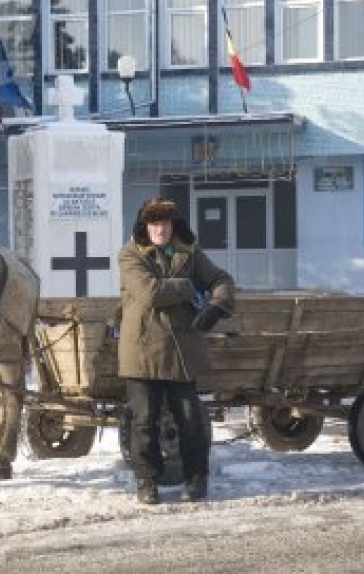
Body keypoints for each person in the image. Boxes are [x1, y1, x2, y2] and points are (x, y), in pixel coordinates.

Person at [117, 197, 235, 504]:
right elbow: (149, 293)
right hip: (141, 350)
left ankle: (197, 478)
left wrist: (217, 304)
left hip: (182, 349)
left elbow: (221, 279)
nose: (160, 230)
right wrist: (187, 287)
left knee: (189, 417)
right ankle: (147, 481)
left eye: (165, 223)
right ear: (144, 226)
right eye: (154, 224)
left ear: (174, 225)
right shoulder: (129, 254)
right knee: (143, 420)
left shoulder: (189, 250)